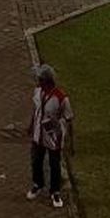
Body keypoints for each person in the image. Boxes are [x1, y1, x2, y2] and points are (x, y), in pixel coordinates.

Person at [26, 63, 75, 208]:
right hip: (38, 135)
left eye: (39, 79)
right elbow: (35, 110)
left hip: (54, 138)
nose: (37, 82)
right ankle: (38, 184)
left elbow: (69, 120)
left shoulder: (61, 98)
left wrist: (72, 143)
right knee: (36, 161)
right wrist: (30, 126)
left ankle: (55, 191)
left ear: (46, 81)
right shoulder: (37, 92)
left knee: (55, 165)